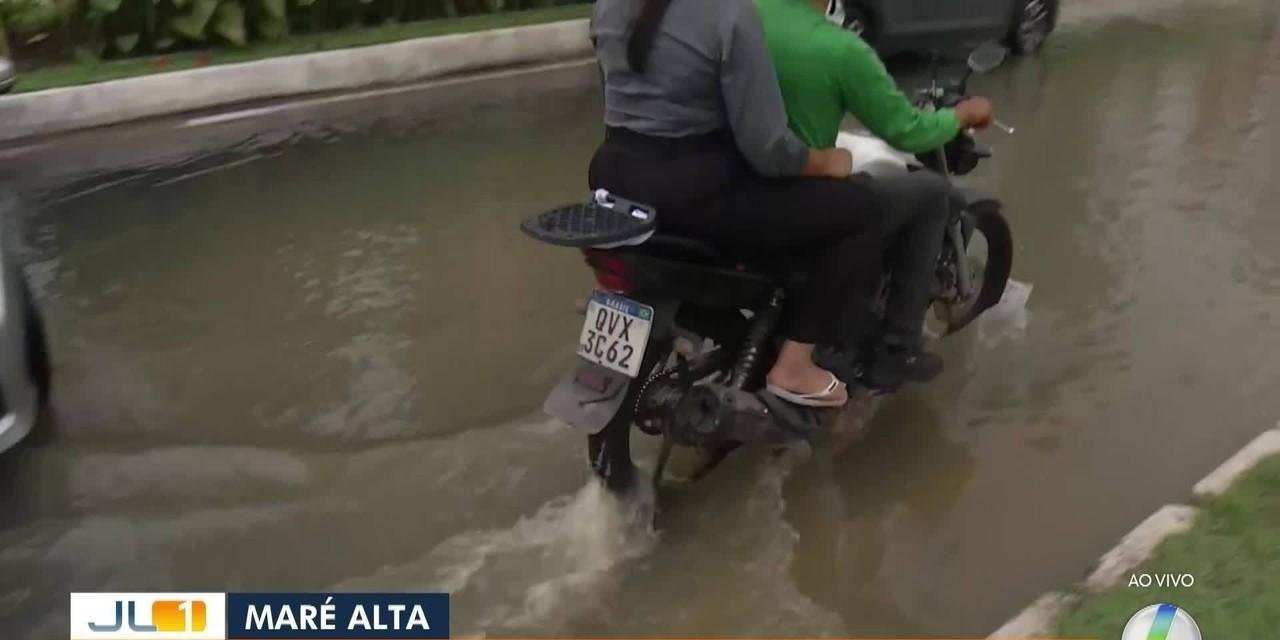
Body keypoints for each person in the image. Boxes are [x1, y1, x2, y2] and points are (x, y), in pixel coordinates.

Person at [589, 0, 888, 407]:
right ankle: (796, 366)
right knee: (860, 211)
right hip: (692, 192)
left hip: (615, 181)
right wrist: (827, 161)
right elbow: (770, 151)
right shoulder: (728, 13)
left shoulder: (608, 4)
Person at [757, 0, 995, 389]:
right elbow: (907, 130)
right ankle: (898, 345)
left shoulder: (742, 17)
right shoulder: (840, 49)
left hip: (738, 185)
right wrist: (963, 115)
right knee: (933, 191)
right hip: (801, 193)